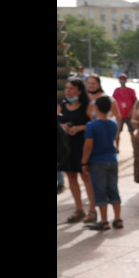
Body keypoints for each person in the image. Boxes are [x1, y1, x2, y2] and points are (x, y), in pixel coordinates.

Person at [59, 78, 97, 223]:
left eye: (71, 88)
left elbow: (95, 124)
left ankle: (92, 210)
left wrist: (80, 127)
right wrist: (64, 128)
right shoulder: (62, 106)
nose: (68, 91)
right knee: (71, 178)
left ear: (79, 91)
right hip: (67, 147)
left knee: (86, 177)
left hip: (82, 146)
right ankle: (79, 209)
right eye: (67, 88)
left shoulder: (87, 106)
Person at [82, 96, 122, 231]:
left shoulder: (91, 126)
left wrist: (83, 162)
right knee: (113, 189)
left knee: (100, 191)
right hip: (112, 159)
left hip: (97, 161)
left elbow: (88, 145)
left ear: (96, 107)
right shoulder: (113, 124)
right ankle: (117, 218)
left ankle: (104, 221)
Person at [112, 73, 137, 150]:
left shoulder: (130, 90)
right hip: (120, 115)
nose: (122, 81)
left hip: (129, 115)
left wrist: (132, 110)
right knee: (117, 132)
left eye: (123, 79)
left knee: (132, 132)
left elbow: (135, 101)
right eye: (121, 79)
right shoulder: (117, 90)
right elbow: (113, 101)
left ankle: (134, 148)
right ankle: (117, 148)